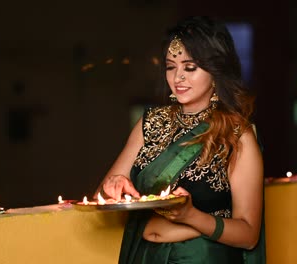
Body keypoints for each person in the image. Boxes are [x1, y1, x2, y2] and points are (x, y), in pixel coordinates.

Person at [95, 16, 265, 264]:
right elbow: (102, 196)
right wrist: (115, 185)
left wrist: (191, 216)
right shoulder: (150, 123)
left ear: (215, 71)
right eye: (170, 66)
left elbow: (249, 235)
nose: (177, 78)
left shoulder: (236, 135)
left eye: (190, 67)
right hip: (145, 257)